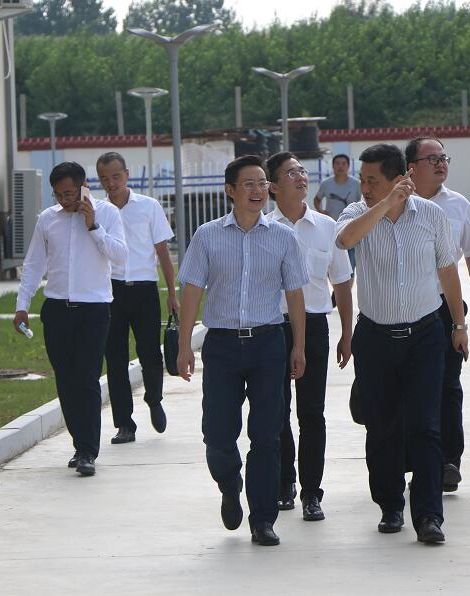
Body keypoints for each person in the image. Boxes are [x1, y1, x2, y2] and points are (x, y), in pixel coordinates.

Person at [336, 143, 468, 544]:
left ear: (398, 179)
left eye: (372, 181)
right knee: (382, 427)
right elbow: (345, 241)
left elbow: (447, 270)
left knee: (426, 426)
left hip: (424, 336)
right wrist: (383, 203)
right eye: (362, 180)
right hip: (375, 338)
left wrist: (459, 324)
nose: (364, 188)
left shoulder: (430, 215)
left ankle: (428, 516)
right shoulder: (357, 213)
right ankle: (390, 506)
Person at [176, 155, 308, 547]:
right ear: (230, 190)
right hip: (222, 345)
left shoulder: (283, 237)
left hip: (268, 343)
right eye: (248, 184)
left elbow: (295, 295)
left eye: (262, 183)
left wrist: (299, 346)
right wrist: (184, 346)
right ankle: (230, 483)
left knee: (267, 435)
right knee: (217, 434)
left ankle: (263, 519)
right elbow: (191, 291)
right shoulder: (207, 236)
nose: (257, 190)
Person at [13, 162, 127, 477]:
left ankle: (88, 451)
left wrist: (94, 226)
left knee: (87, 378)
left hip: (94, 309)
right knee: (66, 380)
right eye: (59, 194)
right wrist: (22, 306)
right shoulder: (48, 219)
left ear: (83, 187)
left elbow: (120, 255)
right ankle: (80, 444)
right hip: (57, 309)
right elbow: (34, 264)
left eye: (69, 193)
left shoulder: (107, 213)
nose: (64, 200)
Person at [266, 151, 354, 521]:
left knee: (312, 413)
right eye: (291, 173)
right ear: (273, 187)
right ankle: (284, 483)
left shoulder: (326, 227)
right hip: (274, 327)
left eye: (302, 171)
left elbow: (342, 282)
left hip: (316, 326)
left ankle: (311, 493)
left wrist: (347, 332)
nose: (301, 176)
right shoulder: (264, 228)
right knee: (276, 411)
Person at [406, 136, 470, 493]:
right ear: (411, 167)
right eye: (432, 158)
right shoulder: (393, 203)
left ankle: (450, 461)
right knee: (409, 390)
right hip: (403, 309)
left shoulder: (458, 205)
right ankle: (414, 461)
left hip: (445, 307)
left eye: (443, 158)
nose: (440, 164)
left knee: (448, 386)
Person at [96, 152, 177, 444]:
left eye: (116, 176)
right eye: (105, 178)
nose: (111, 183)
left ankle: (154, 399)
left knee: (150, 353)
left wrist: (172, 293)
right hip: (111, 292)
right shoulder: (99, 212)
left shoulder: (148, 206)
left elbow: (163, 253)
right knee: (115, 359)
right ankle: (124, 424)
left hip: (144, 289)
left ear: (127, 175)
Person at [314, 154, 360, 276]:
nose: (340, 166)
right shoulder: (326, 184)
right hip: (331, 230)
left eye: (343, 164)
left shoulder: (356, 184)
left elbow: (363, 203)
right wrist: (321, 211)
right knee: (332, 265)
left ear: (348, 166)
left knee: (350, 268)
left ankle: (347, 286)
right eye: (337, 163)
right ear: (333, 166)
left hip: (351, 229)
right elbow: (317, 199)